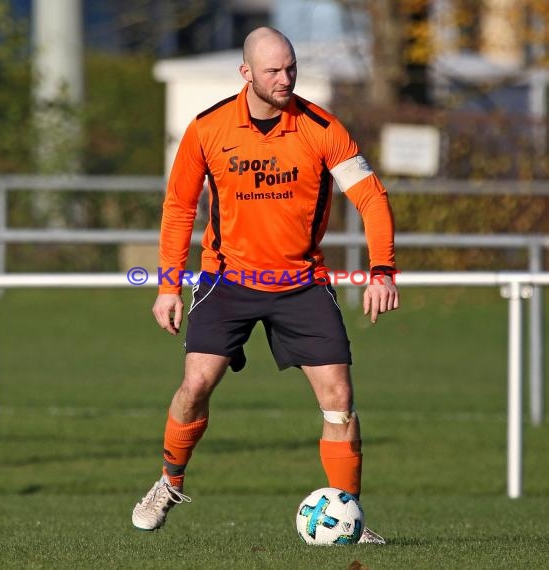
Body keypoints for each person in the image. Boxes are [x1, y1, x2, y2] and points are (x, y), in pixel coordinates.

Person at [132, 27, 399, 544]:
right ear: (246, 73)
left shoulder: (321, 127)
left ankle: (350, 518)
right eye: (274, 70)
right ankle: (169, 482)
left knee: (339, 397)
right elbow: (178, 208)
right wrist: (168, 285)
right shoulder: (207, 128)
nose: (285, 79)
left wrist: (382, 269)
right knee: (195, 387)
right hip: (227, 280)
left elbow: (371, 196)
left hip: (301, 282)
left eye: (291, 68)